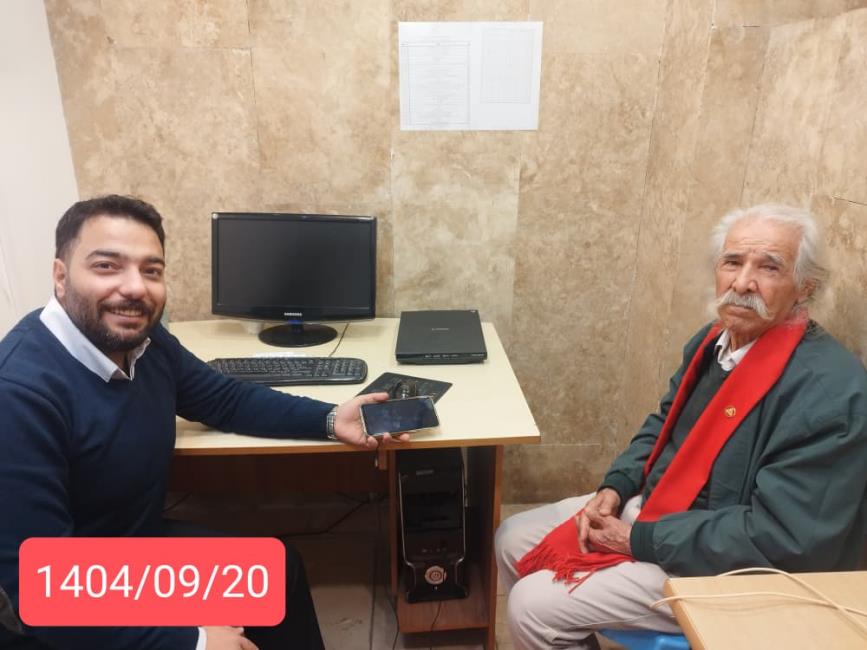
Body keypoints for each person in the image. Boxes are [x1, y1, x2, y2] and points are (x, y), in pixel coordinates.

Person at [0, 195, 405, 650]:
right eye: (107, 266)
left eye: (151, 270)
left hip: (132, 554)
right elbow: (41, 594)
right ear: (60, 276)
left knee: (278, 572)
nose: (134, 288)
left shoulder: (144, 342)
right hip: (73, 597)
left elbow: (225, 399)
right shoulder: (18, 395)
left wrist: (330, 419)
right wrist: (194, 640)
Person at [495, 203, 867, 649]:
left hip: (737, 568)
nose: (743, 283)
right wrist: (616, 486)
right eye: (732, 262)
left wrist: (638, 539)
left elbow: (786, 538)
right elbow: (662, 425)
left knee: (533, 607)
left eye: (769, 267)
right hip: (666, 513)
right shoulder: (714, 341)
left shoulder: (828, 393)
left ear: (805, 286)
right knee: (512, 538)